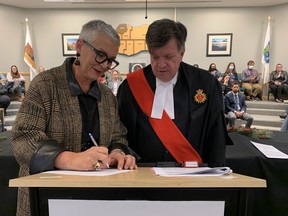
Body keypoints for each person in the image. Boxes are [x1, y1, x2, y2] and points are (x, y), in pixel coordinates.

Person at [11, 19, 137, 216]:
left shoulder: (106, 96)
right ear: (80, 46)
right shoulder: (45, 85)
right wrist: (70, 159)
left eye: (111, 60)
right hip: (47, 199)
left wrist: (118, 153)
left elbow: (118, 137)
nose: (105, 65)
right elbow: (23, 140)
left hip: (96, 201)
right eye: (100, 55)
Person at [117, 18, 231, 167]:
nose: (161, 64)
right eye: (155, 57)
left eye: (169, 57)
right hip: (141, 174)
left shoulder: (206, 84)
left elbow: (216, 137)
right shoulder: (130, 86)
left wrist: (216, 176)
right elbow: (120, 133)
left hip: (191, 176)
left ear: (182, 54)